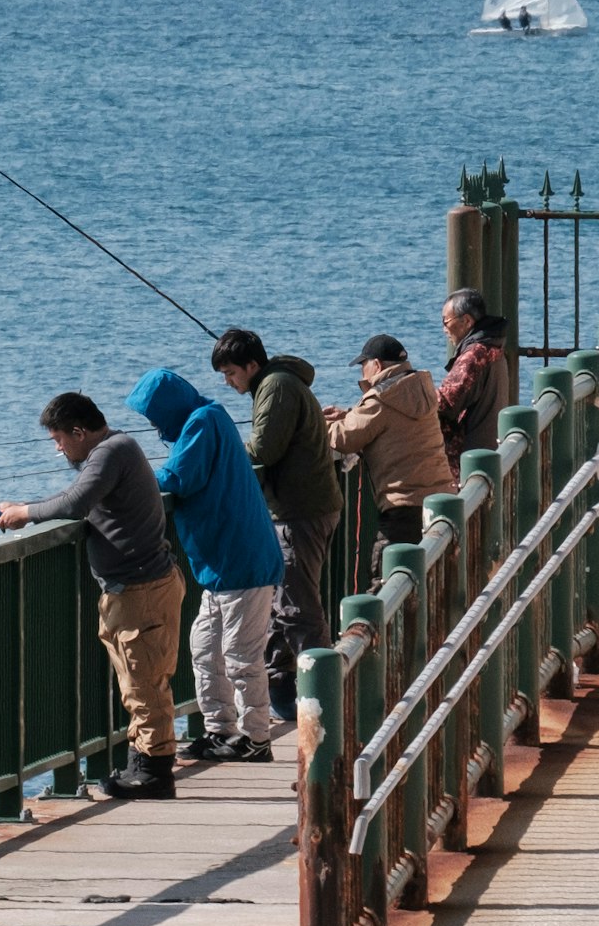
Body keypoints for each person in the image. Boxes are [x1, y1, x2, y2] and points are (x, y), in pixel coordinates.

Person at [0, 391, 185, 800]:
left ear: (80, 432)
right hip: (139, 586)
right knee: (140, 681)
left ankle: (154, 774)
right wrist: (26, 506)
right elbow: (75, 497)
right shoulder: (118, 449)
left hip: (141, 590)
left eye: (60, 439)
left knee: (144, 683)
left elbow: (76, 502)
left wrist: (24, 514)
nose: (58, 448)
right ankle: (143, 763)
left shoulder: (109, 452)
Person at [136, 365, 283, 764]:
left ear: (167, 409)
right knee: (205, 649)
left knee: (240, 655)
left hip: (242, 562)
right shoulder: (206, 418)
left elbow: (177, 477)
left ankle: (256, 739)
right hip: (220, 566)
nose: (152, 425)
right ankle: (220, 730)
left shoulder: (203, 422)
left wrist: (129, 478)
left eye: (153, 415)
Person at [217, 326, 339, 718]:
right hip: (304, 507)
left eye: (231, 372)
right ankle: (285, 697)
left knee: (298, 609)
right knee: (282, 605)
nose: (228, 381)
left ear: (252, 365)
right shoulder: (278, 383)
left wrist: (223, 454)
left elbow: (264, 449)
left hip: (298, 512)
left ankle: (325, 702)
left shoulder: (277, 387)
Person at [328, 334, 457, 550]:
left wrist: (315, 423)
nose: (362, 372)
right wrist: (349, 414)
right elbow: (392, 422)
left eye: (363, 366)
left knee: (389, 576)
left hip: (404, 506)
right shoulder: (417, 389)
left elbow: (344, 438)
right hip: (442, 498)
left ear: (376, 365)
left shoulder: (382, 398)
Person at [436, 290, 518, 463]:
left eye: (446, 321)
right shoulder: (494, 346)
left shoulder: (474, 355)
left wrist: (411, 395)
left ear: (466, 321)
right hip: (489, 449)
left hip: (470, 457)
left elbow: (445, 403)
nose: (444, 329)